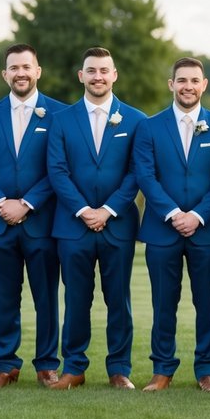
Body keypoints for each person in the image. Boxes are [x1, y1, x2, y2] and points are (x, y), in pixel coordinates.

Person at [46, 48, 145, 390]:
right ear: (81, 75)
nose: (98, 76)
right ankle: (74, 367)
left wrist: (108, 210)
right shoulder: (61, 119)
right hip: (73, 226)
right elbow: (57, 171)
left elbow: (137, 173)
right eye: (92, 71)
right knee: (76, 299)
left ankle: (119, 369)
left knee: (118, 299)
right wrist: (84, 210)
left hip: (117, 225)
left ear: (114, 75)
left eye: (104, 70)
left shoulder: (135, 120)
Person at [0, 43, 67, 389]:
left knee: (45, 297)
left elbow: (58, 168)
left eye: (27, 66)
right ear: (4, 74)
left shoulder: (59, 114)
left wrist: (26, 204)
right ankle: (6, 364)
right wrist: (0, 203)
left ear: (37, 71)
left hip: (40, 222)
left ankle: (46, 364)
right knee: (3, 297)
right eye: (14, 67)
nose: (20, 73)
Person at [133, 57, 210, 393]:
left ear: (204, 85)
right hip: (162, 230)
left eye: (194, 80)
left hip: (206, 229)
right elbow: (146, 176)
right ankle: (162, 370)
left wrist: (197, 215)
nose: (188, 86)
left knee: (208, 304)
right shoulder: (149, 127)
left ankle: (207, 372)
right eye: (181, 80)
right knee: (163, 302)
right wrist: (174, 214)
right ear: (171, 84)